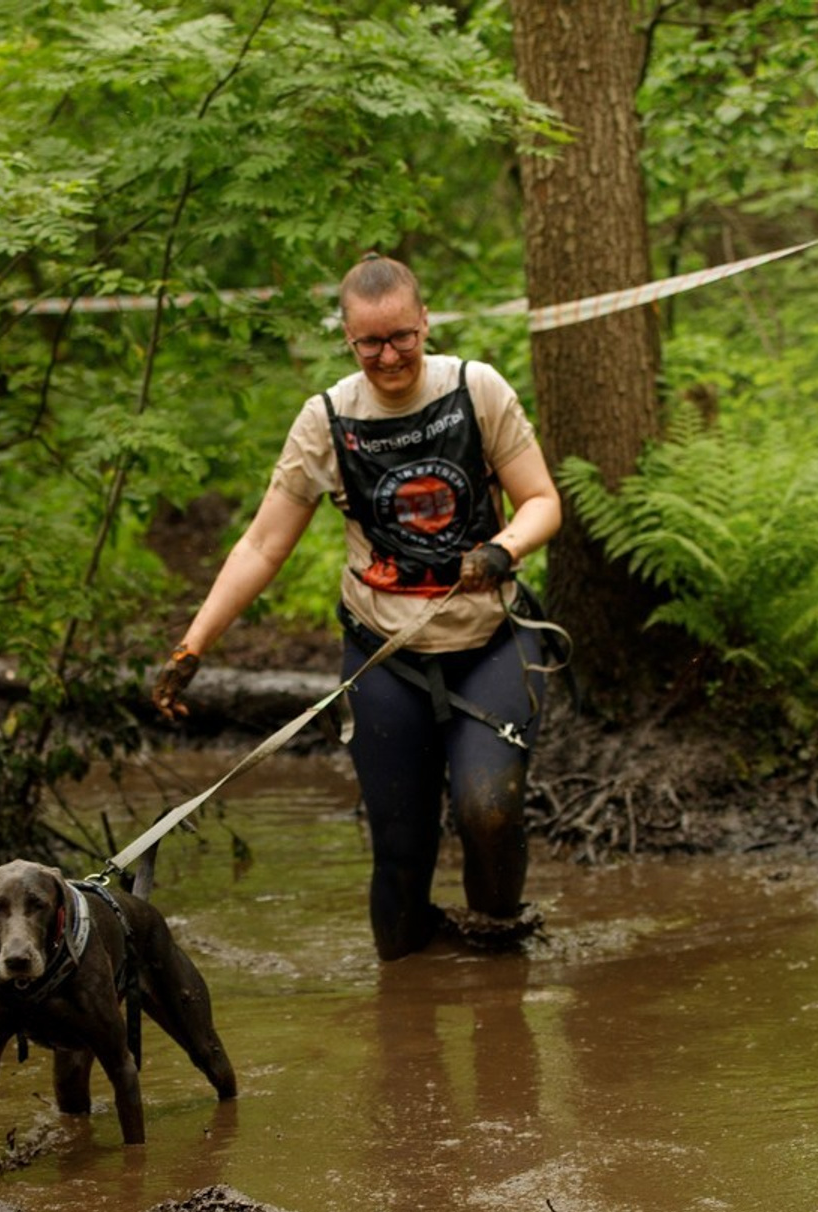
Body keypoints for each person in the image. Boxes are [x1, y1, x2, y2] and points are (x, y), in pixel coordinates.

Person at [151, 254, 563, 960]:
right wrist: (193, 648)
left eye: (401, 336)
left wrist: (502, 550)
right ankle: (406, 1007)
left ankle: (499, 964)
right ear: (347, 338)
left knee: (487, 808)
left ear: (425, 321)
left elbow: (542, 501)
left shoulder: (477, 390)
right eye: (370, 342)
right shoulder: (327, 419)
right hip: (384, 656)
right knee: (400, 848)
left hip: (492, 641)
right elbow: (260, 546)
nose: (389, 355)